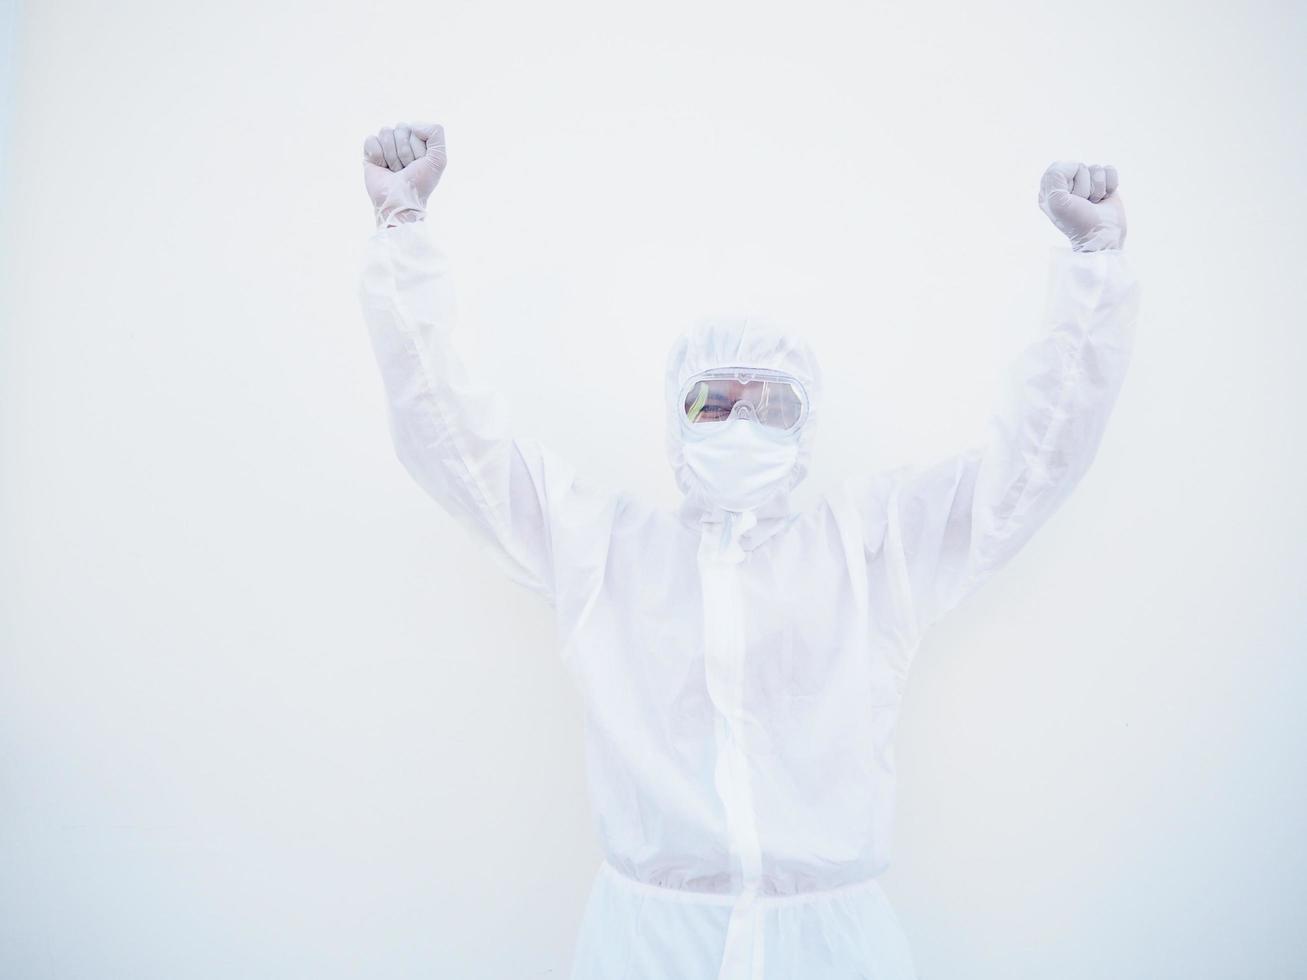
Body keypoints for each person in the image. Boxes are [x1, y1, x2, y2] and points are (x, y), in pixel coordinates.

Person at [358, 120, 1139, 980]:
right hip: (646, 948)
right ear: (673, 420)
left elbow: (1028, 468)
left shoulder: (869, 551)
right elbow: (454, 445)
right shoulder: (607, 551)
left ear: (805, 426)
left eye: (769, 404)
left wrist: (1091, 271)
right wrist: (404, 238)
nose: (739, 423)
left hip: (835, 949)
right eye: (713, 403)